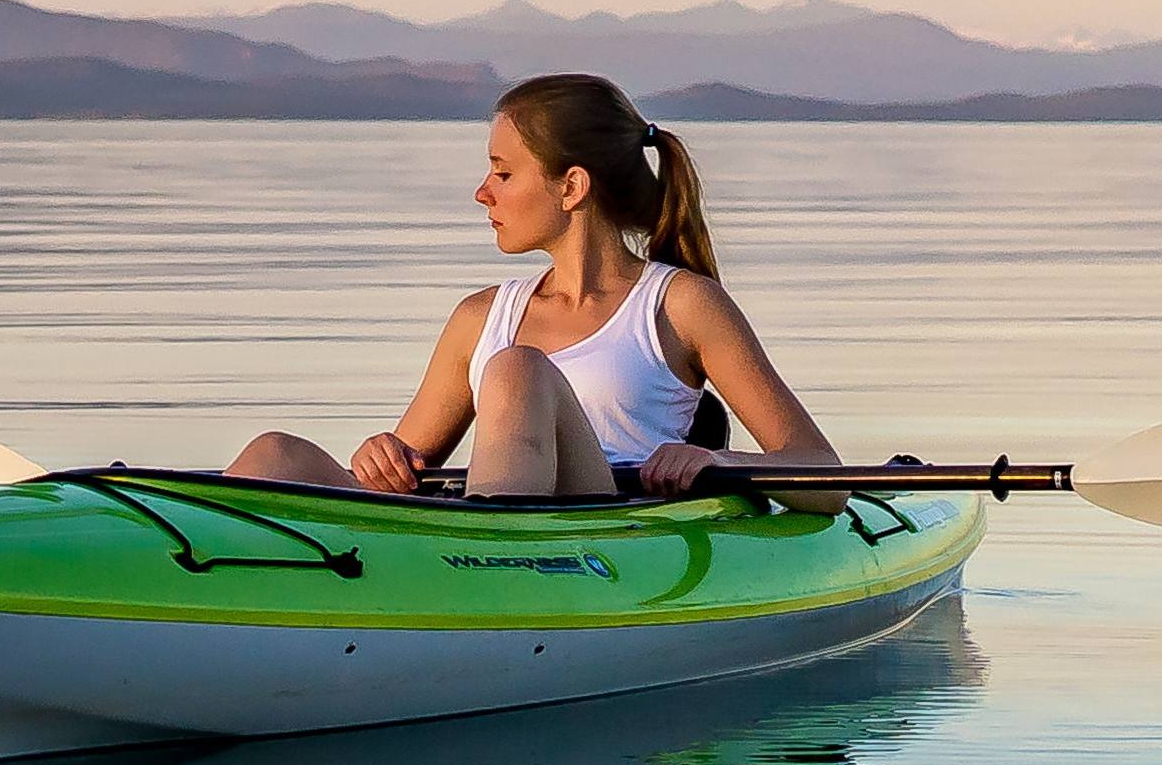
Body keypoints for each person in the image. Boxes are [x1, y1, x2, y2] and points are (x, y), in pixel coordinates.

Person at [227, 73, 844, 500]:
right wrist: (382, 457)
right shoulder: (478, 318)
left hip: (599, 541)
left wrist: (716, 460)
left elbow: (825, 476)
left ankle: (498, 578)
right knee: (275, 452)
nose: (482, 192)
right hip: (472, 534)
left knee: (519, 370)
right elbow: (400, 474)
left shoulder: (680, 305)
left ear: (571, 187)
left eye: (503, 172)